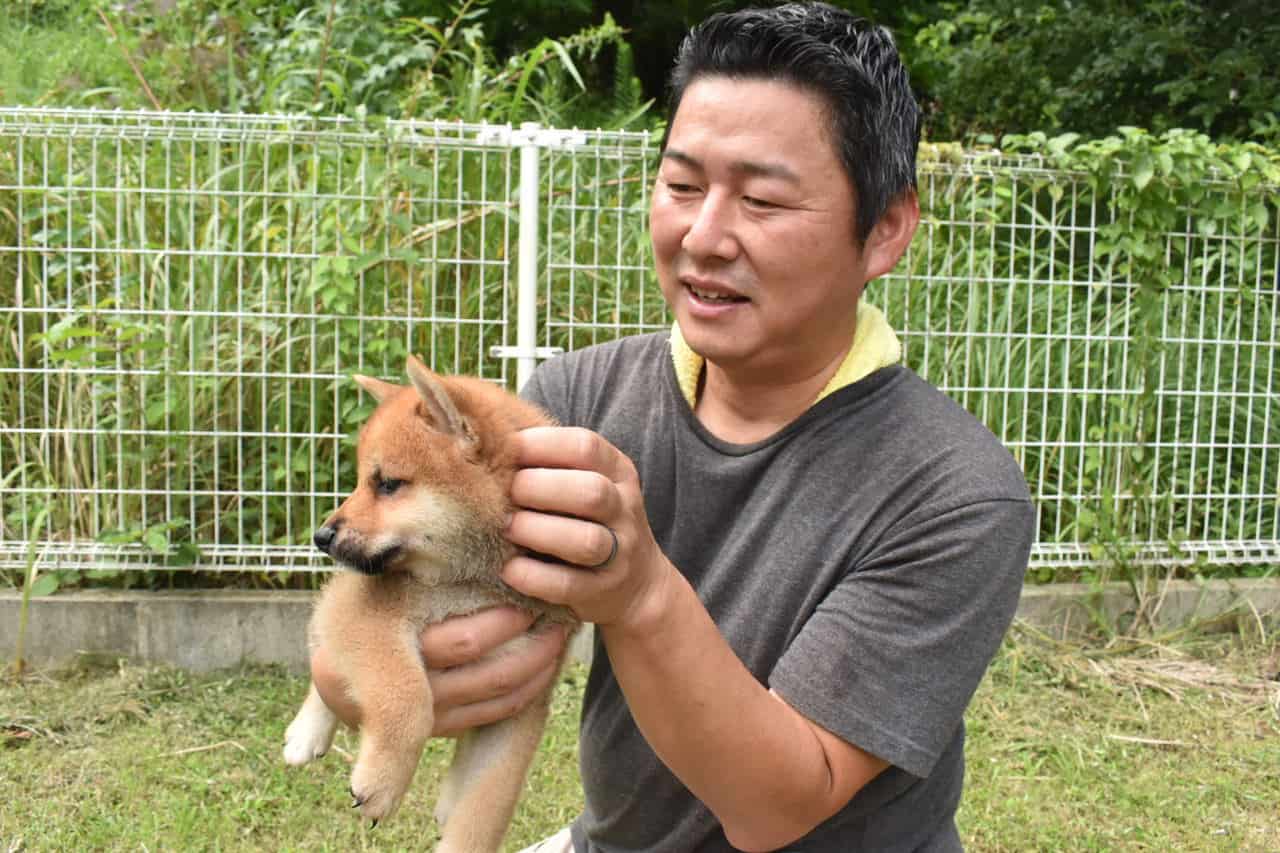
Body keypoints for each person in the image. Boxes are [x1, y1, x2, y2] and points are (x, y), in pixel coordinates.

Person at [314, 3, 1035, 850]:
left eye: (762, 198)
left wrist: (642, 593)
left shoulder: (953, 490)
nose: (702, 235)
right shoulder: (575, 398)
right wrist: (347, 669)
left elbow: (780, 803)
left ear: (884, 230)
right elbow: (426, 599)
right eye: (683, 185)